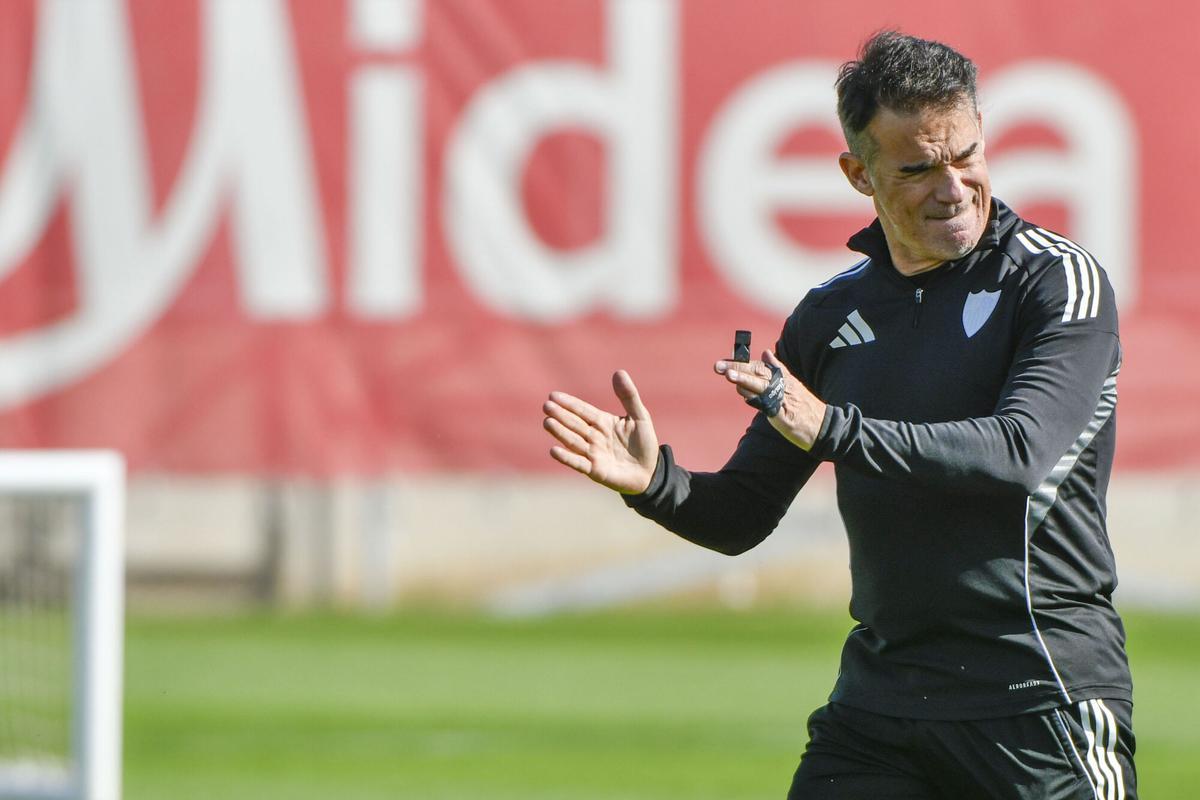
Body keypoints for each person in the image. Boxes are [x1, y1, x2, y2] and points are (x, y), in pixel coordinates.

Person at [542, 30, 1134, 800]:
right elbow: (741, 515)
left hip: (1037, 696)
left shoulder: (1057, 284)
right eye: (918, 168)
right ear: (859, 174)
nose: (953, 187)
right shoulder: (832, 316)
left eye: (968, 155)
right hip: (883, 706)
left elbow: (1018, 454)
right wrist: (655, 482)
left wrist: (832, 429)